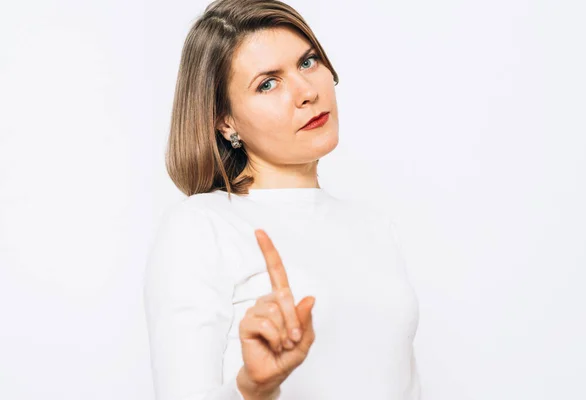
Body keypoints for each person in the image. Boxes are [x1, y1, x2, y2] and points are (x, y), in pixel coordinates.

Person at [143, 0, 421, 399]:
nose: (306, 92)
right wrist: (254, 388)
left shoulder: (376, 228)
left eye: (307, 63)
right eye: (267, 83)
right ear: (226, 121)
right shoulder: (201, 226)